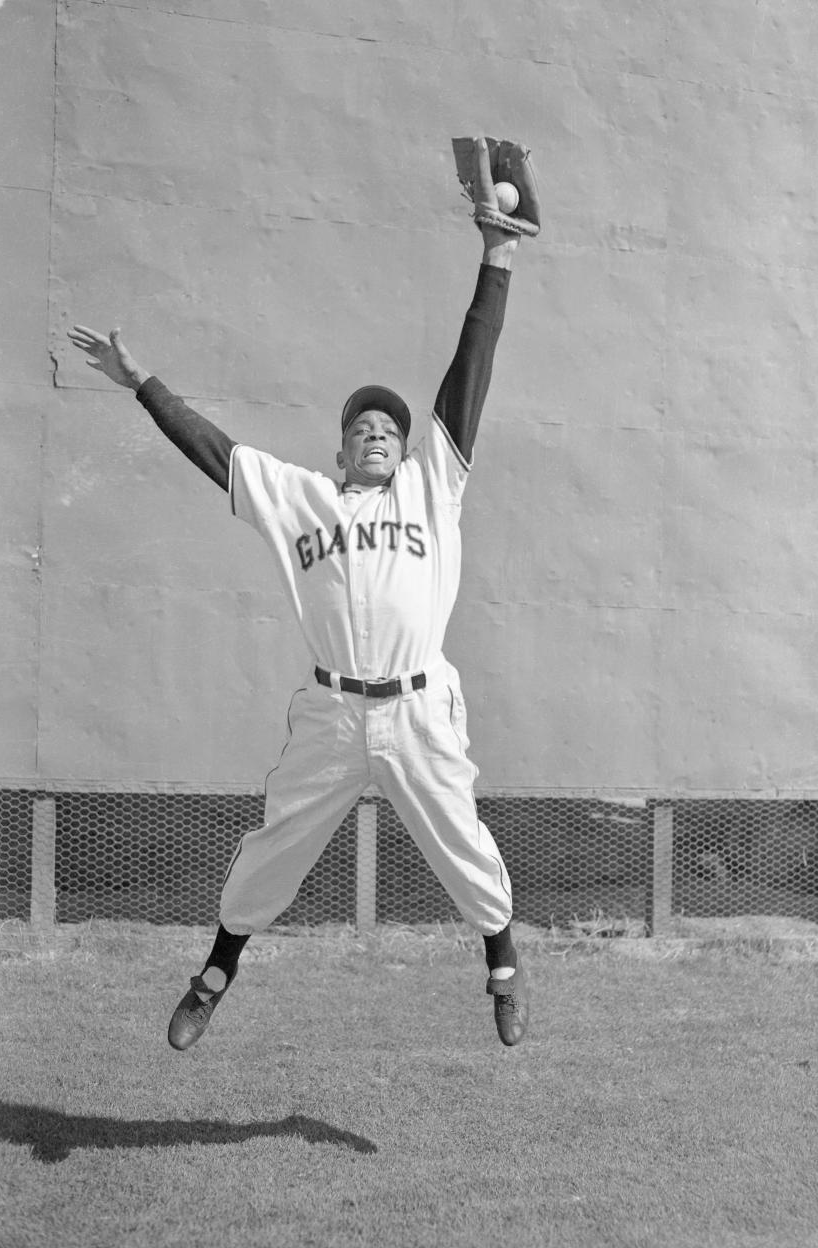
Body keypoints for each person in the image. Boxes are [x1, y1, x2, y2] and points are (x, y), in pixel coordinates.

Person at [68, 136, 535, 1050]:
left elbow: (467, 371)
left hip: (417, 709)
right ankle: (213, 973)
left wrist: (498, 256)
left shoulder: (430, 487)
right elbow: (215, 451)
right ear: (338, 450)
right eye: (361, 425)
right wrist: (142, 385)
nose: (375, 432)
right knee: (272, 851)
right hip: (331, 714)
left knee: (465, 847)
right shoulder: (302, 499)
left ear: (407, 451)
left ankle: (506, 967)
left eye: (388, 429)